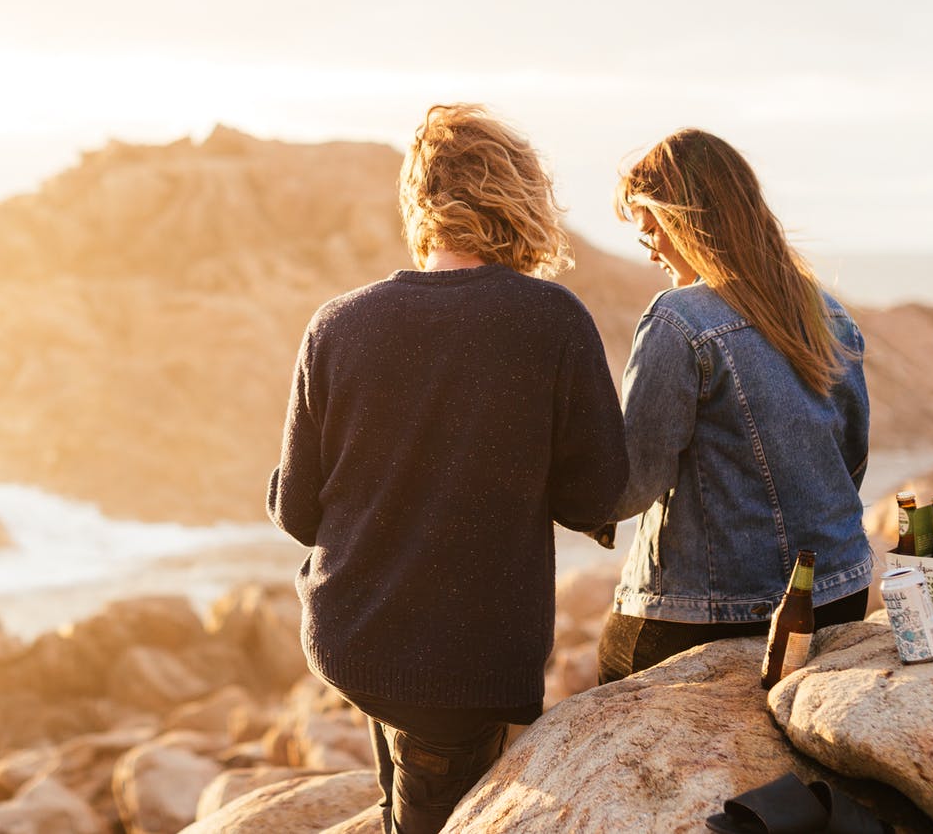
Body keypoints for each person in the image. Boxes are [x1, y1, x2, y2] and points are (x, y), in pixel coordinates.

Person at [266, 103, 629, 834]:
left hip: (353, 634)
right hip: (463, 660)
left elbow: (296, 513)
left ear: (420, 203)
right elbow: (596, 493)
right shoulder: (551, 319)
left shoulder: (337, 322)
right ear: (519, 198)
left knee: (403, 788)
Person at [596, 129, 872, 684]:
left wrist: (567, 493)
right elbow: (850, 458)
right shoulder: (827, 310)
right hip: (841, 592)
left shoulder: (678, 318)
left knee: (614, 672)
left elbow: (634, 483)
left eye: (652, 228)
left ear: (689, 221)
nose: (647, 247)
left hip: (712, 609)